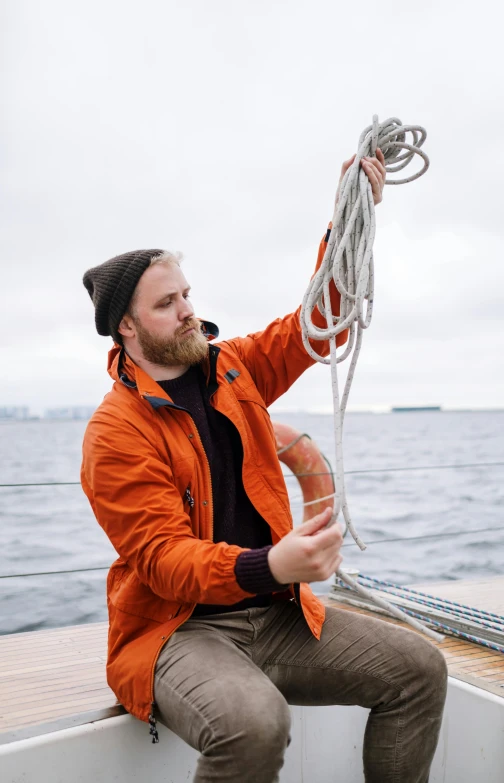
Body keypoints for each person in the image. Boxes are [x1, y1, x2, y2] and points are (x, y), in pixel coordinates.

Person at [81, 149, 447, 783]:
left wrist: (347, 220)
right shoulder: (115, 432)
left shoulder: (233, 368)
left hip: (276, 615)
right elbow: (164, 560)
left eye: (187, 295)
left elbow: (317, 328)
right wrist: (271, 563)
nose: (189, 310)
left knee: (419, 670)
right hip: (178, 634)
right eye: (167, 304)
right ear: (127, 329)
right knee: (255, 723)